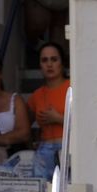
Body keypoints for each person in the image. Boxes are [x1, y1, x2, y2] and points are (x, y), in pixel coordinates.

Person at [30, 42, 70, 178]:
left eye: (54, 59)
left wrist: (58, 118)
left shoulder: (72, 87)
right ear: (40, 65)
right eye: (44, 60)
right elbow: (24, 126)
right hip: (44, 149)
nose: (49, 64)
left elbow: (87, 123)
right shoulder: (37, 95)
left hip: (68, 148)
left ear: (62, 63)